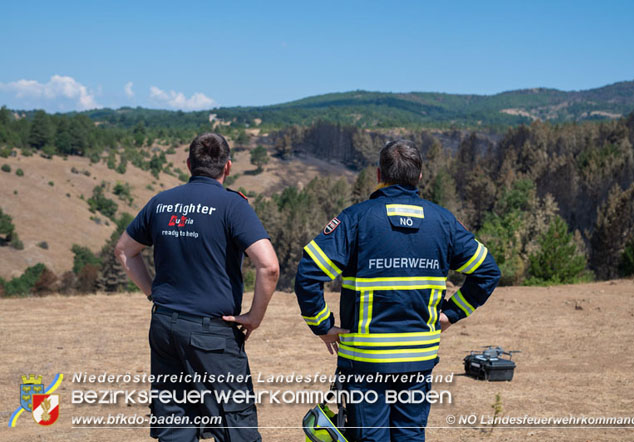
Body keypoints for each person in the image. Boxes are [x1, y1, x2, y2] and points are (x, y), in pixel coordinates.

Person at [295, 139, 501, 442]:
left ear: (379, 175)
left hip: (366, 362)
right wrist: (451, 315)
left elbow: (308, 274)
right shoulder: (443, 221)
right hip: (419, 360)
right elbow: (487, 272)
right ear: (419, 176)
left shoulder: (356, 218)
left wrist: (322, 326)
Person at [115, 133, 279, 442]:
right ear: (226, 167)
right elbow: (269, 266)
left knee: (175, 421)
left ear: (189, 164)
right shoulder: (233, 205)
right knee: (236, 425)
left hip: (164, 327)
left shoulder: (161, 202)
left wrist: (152, 292)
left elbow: (124, 251)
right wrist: (254, 318)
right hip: (212, 334)